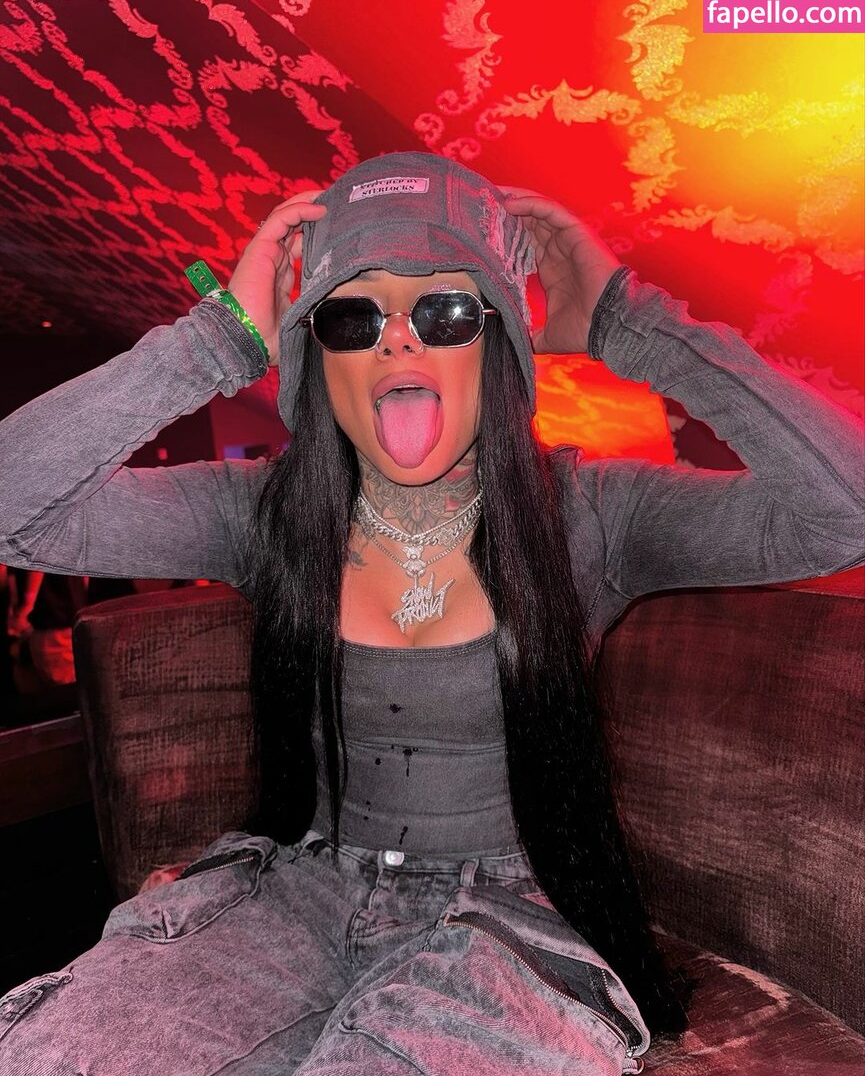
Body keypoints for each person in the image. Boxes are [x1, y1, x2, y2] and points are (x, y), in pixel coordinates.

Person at [0, 152, 861, 1076]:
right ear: (315, 356)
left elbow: (841, 513)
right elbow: (17, 508)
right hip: (299, 890)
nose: (397, 343)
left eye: (445, 312)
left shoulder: (591, 514)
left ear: (497, 343)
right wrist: (218, 340)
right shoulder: (261, 512)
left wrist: (628, 322)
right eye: (352, 317)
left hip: (505, 925)